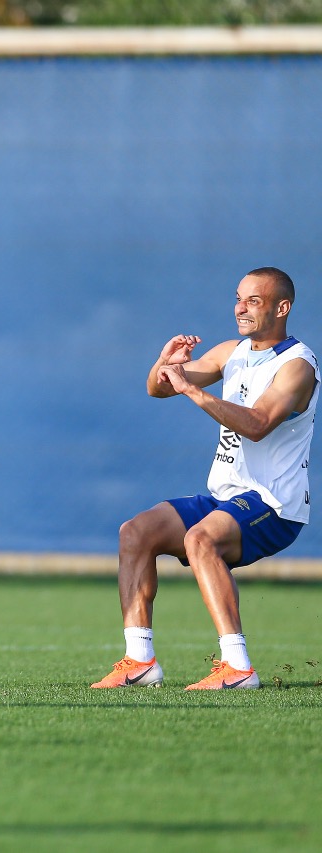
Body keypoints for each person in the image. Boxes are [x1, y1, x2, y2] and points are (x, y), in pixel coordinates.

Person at [92, 267, 317, 691]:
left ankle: (238, 667)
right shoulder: (231, 351)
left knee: (200, 539)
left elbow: (257, 423)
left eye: (253, 300)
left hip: (274, 505)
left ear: (282, 308)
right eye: (238, 298)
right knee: (135, 532)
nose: (240, 308)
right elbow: (158, 388)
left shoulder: (297, 366)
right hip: (226, 498)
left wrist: (193, 391)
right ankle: (139, 661)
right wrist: (165, 365)